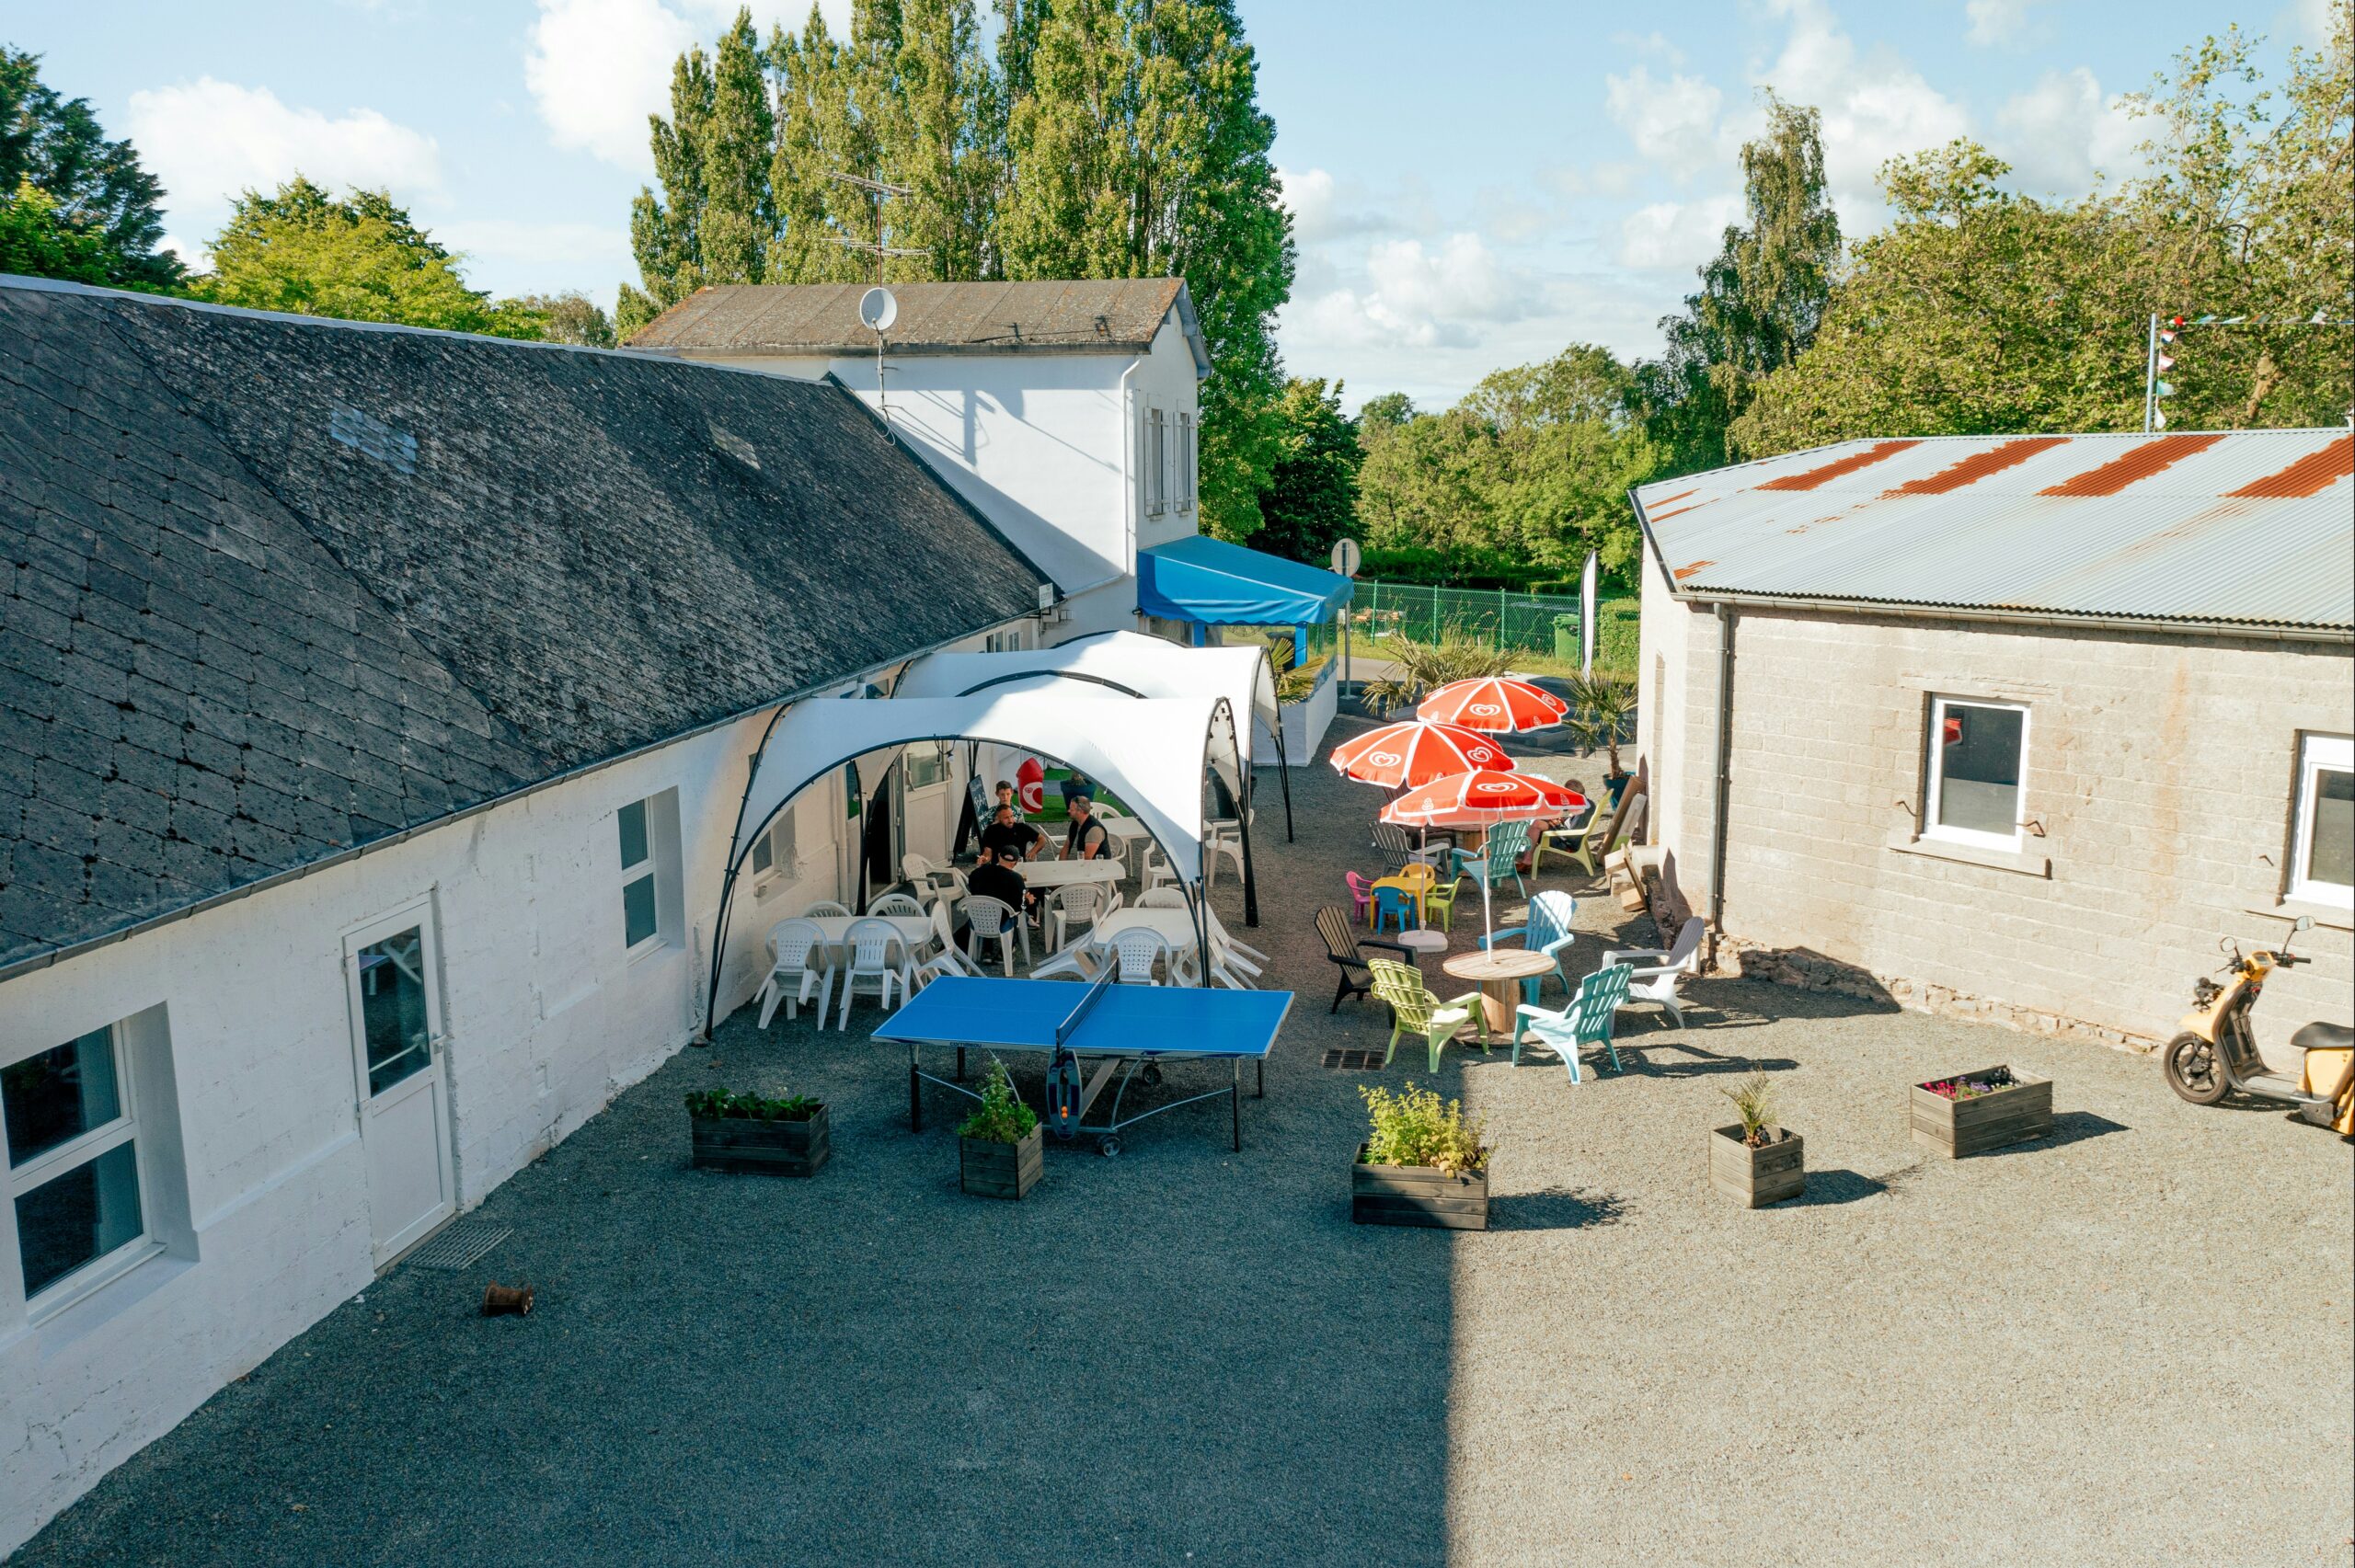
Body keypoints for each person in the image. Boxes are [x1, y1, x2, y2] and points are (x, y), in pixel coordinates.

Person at [964, 844, 1036, 924]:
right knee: (1022, 915)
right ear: (1016, 862)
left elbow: (972, 885)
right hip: (1001, 921)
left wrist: (981, 867)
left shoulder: (978, 872)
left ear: (999, 856)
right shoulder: (1016, 879)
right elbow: (1019, 907)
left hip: (978, 916)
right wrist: (1028, 900)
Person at [979, 802, 1045, 862]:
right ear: (999, 818)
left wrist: (1033, 852)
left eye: (1011, 816)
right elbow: (988, 852)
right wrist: (985, 859)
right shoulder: (991, 830)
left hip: (1019, 864)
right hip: (999, 866)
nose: (1010, 820)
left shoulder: (1022, 828)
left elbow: (1042, 839)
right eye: (1006, 818)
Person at [1064, 794, 1113, 863]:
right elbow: (1066, 846)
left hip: (1097, 866)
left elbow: (1087, 860)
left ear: (1080, 811)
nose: (1068, 811)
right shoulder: (1075, 823)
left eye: (1071, 810)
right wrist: (1060, 866)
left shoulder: (1094, 830)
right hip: (1080, 863)